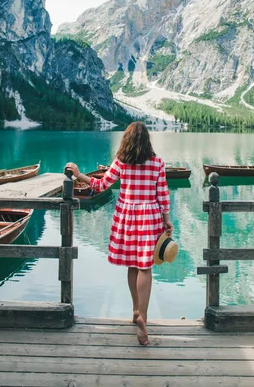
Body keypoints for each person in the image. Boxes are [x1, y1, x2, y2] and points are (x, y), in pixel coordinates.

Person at [65, 121, 173, 346]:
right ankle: (143, 315)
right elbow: (163, 196)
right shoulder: (157, 164)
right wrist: (167, 221)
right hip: (150, 216)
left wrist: (78, 174)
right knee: (146, 267)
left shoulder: (121, 163)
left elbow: (101, 185)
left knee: (132, 265)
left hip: (127, 215)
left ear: (126, 140)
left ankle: (135, 311)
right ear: (147, 141)